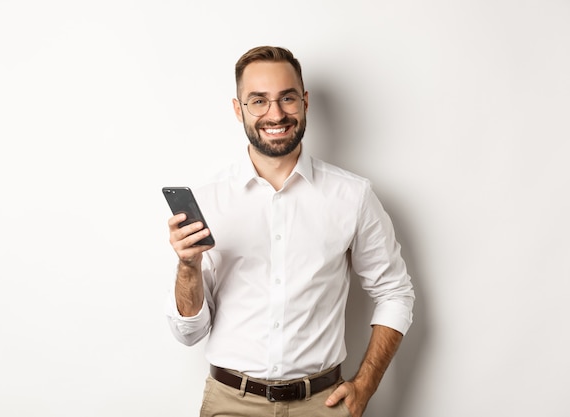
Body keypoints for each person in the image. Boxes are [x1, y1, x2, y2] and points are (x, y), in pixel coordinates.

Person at [165, 46, 414, 417]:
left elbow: (395, 293)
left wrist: (365, 385)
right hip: (231, 404)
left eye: (287, 98)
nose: (276, 113)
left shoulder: (353, 195)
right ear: (239, 110)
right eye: (258, 101)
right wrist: (187, 267)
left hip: (322, 404)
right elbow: (189, 333)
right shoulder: (210, 201)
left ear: (305, 101)